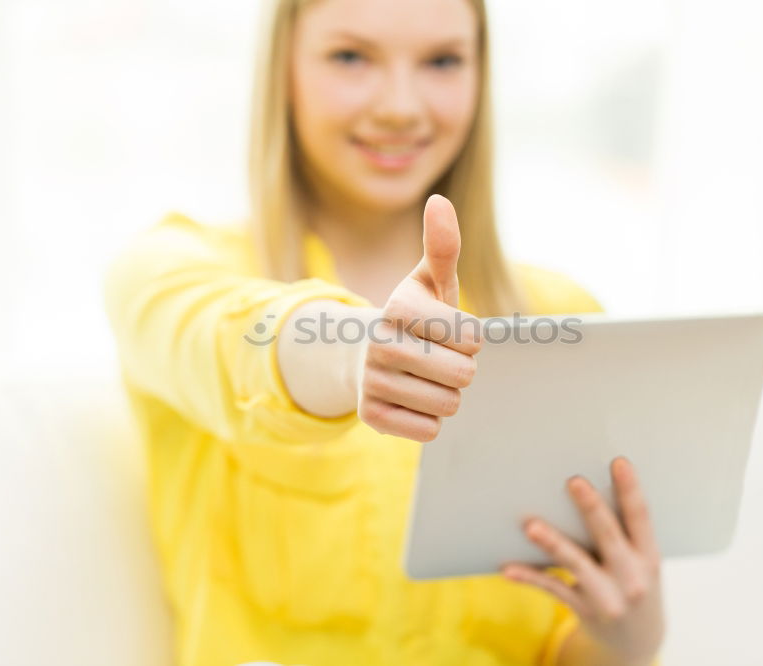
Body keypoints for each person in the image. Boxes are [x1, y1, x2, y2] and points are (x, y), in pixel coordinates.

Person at [104, 0, 665, 664]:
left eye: (442, 60)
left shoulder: (562, 317)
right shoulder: (168, 270)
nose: (401, 105)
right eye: (351, 56)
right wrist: (352, 351)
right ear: (283, 68)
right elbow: (229, 340)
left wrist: (625, 640)